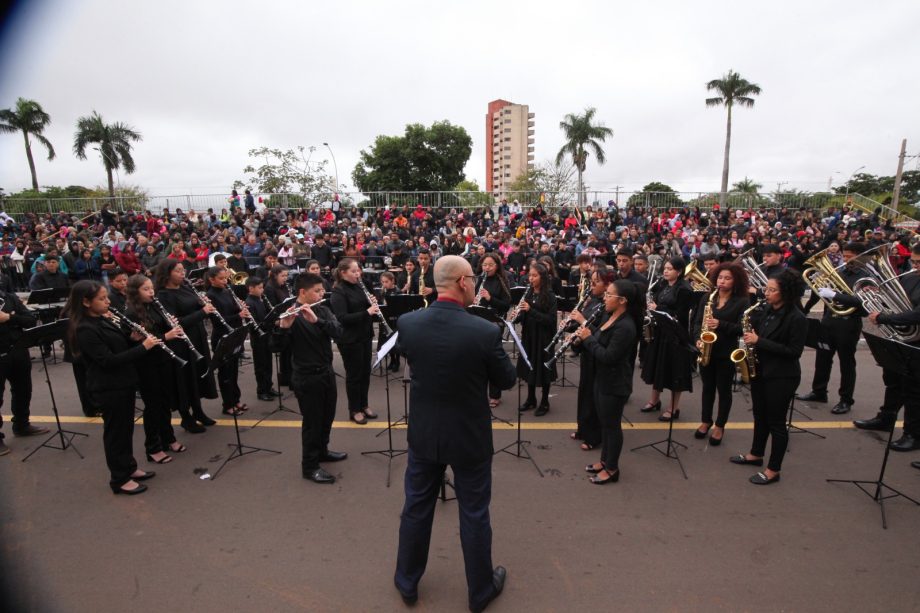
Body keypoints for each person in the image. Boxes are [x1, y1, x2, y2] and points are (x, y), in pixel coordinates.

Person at [393, 255, 516, 611]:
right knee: (474, 512)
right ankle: (479, 592)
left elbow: (409, 356)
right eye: (473, 278)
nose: (476, 284)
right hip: (468, 436)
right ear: (463, 282)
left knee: (416, 507)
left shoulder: (409, 322)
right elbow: (505, 380)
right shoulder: (484, 330)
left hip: (425, 433)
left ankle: (407, 582)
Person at [67, 280, 159, 494]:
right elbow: (107, 360)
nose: (108, 301)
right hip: (109, 387)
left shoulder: (101, 319)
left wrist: (133, 339)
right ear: (86, 302)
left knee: (126, 429)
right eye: (102, 298)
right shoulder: (85, 329)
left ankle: (129, 467)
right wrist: (143, 348)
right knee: (115, 433)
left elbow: (117, 345)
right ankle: (119, 479)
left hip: (123, 383)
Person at [730, 270, 807, 485]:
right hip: (761, 371)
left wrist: (758, 341)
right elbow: (751, 328)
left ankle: (774, 469)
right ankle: (756, 454)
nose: (767, 293)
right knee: (760, 415)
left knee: (776, 423)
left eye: (772, 290)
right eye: (767, 288)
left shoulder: (796, 318)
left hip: (782, 376)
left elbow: (793, 351)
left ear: (786, 292)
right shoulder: (766, 310)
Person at [275, 273, 347, 483]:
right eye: (317, 291)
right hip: (307, 377)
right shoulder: (290, 314)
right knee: (312, 423)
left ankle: (322, 451)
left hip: (326, 372)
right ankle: (310, 466)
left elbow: (340, 333)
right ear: (302, 293)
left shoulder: (322, 310)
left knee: (327, 417)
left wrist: (318, 322)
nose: (321, 293)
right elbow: (275, 347)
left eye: (321, 290)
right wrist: (282, 328)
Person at [577, 278, 642, 484]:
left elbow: (608, 356)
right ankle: (605, 460)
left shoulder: (626, 327)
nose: (605, 297)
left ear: (622, 300)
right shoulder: (611, 315)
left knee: (612, 427)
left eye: (609, 295)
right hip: (602, 379)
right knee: (604, 424)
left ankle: (612, 469)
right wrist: (585, 331)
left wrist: (587, 338)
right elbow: (600, 335)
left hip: (614, 384)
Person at [855, 244, 920, 452]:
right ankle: (886, 417)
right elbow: (892, 299)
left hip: (917, 343)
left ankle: (913, 434)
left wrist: (884, 318)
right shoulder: (909, 277)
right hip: (902, 339)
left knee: (914, 390)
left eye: (919, 262)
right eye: (914, 261)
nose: (915, 266)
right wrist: (875, 295)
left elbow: (917, 314)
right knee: (893, 379)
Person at [796, 242, 868, 414]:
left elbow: (863, 303)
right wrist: (821, 288)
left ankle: (846, 399)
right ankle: (819, 391)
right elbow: (828, 298)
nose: (846, 260)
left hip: (849, 323)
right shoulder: (839, 272)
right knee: (822, 358)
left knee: (846, 363)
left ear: (860, 257)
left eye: (850, 257)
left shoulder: (865, 278)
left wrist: (835, 295)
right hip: (829, 321)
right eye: (845, 256)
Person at [125, 274, 186, 464]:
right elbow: (140, 341)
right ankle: (153, 447)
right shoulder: (131, 314)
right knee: (153, 406)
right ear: (135, 293)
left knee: (165, 402)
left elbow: (159, 328)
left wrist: (172, 323)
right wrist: (167, 335)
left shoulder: (155, 306)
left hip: (163, 360)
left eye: (151, 288)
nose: (151, 291)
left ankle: (168, 438)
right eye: (146, 289)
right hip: (146, 364)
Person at [155, 260, 218, 433]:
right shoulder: (163, 295)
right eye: (178, 271)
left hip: (197, 336)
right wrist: (202, 312)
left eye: (183, 270)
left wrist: (203, 303)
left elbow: (195, 305)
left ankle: (198, 411)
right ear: (167, 274)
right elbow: (175, 322)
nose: (183, 274)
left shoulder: (185, 287)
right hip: (181, 342)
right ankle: (186, 417)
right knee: (185, 378)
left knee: (198, 374)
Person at [690, 262, 749, 445]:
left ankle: (720, 425)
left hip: (726, 351)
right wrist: (698, 339)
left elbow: (743, 328)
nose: (722, 281)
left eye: (727, 278)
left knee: (724, 390)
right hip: (707, 350)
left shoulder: (742, 302)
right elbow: (697, 322)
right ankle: (706, 420)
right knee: (707, 388)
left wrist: (721, 324)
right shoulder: (708, 297)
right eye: (720, 277)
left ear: (736, 281)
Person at [640, 256, 694, 421]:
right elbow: (655, 302)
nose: (665, 271)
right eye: (665, 268)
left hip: (676, 336)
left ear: (678, 272)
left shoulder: (684, 289)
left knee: (674, 371)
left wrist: (659, 308)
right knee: (658, 367)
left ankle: (673, 408)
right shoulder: (662, 285)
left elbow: (682, 316)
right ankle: (654, 400)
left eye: (669, 269)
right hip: (661, 332)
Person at [329, 258, 378, 424]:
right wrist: (368, 312)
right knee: (354, 376)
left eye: (358, 270)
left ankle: (364, 405)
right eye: (354, 271)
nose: (358, 274)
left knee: (365, 373)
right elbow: (342, 318)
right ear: (343, 273)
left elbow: (365, 306)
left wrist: (372, 302)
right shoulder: (338, 291)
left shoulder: (359, 285)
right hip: (350, 339)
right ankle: (354, 409)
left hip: (364, 335)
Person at [568, 267, 610, 450]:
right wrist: (572, 330)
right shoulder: (592, 299)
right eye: (591, 281)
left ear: (607, 285)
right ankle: (583, 429)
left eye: (596, 282)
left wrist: (581, 320)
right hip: (587, 351)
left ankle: (594, 437)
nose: (591, 285)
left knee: (593, 397)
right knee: (584, 393)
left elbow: (599, 331)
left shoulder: (607, 305)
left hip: (597, 353)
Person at [0, 286, 45, 456]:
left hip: (17, 350)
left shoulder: (8, 296)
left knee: (23, 390)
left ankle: (22, 424)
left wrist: (9, 317)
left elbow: (29, 320)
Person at [205, 266, 249, 416]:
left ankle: (236, 400)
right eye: (221, 279)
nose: (225, 281)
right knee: (225, 373)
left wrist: (240, 309)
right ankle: (227, 405)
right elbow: (218, 321)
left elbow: (233, 310)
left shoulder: (227, 290)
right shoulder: (210, 296)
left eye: (226, 278)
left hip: (234, 333)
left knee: (234, 371)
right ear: (211, 280)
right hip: (222, 337)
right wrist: (239, 315)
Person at [516, 261, 558, 416]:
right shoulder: (528, 293)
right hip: (529, 336)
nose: (531, 279)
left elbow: (551, 320)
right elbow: (524, 314)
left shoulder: (550, 296)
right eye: (530, 275)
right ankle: (531, 398)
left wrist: (530, 310)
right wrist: (518, 315)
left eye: (534, 276)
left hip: (544, 338)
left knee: (543, 369)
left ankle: (545, 401)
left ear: (542, 277)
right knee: (530, 367)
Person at [245, 276, 276, 401]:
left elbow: (267, 314)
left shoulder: (261, 299)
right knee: (261, 366)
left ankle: (269, 387)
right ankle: (262, 390)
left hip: (266, 335)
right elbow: (252, 324)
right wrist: (266, 322)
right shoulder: (249, 303)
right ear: (251, 288)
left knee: (268, 363)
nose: (262, 290)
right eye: (259, 288)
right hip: (258, 338)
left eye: (262, 287)